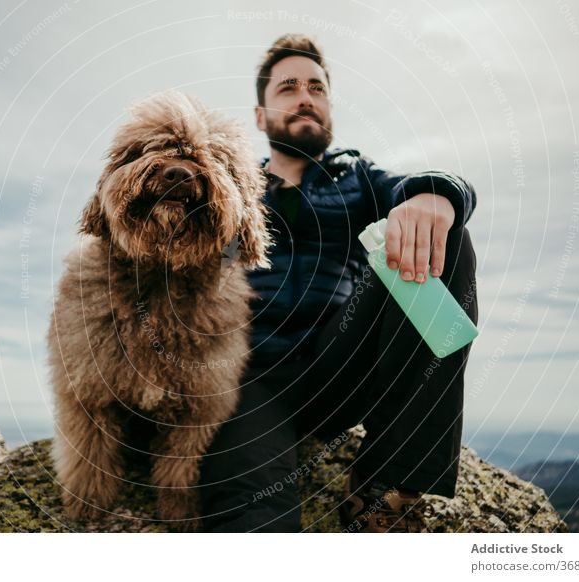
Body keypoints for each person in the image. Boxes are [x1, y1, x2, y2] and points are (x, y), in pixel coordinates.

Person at [198, 33, 478, 532]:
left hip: (341, 364)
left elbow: (421, 190)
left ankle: (387, 483)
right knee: (255, 516)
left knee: (441, 231)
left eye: (316, 87)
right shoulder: (229, 183)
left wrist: (439, 193)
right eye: (287, 87)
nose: (306, 96)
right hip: (248, 377)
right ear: (260, 116)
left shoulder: (358, 178)